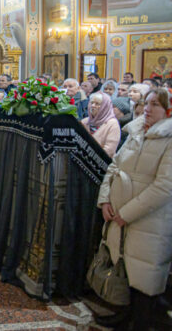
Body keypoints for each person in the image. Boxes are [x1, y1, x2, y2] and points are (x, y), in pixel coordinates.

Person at [95, 89, 172, 330]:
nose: (147, 109)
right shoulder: (137, 132)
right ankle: (125, 314)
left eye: (155, 105)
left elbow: (164, 186)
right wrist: (105, 199)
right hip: (120, 216)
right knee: (125, 268)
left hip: (149, 220)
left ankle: (144, 322)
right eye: (146, 103)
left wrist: (126, 213)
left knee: (145, 275)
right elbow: (114, 167)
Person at [81, 92, 121, 157]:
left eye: (97, 104)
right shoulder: (84, 121)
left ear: (105, 106)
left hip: (103, 162)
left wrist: (91, 157)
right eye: (92, 102)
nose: (93, 105)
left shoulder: (112, 123)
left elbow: (110, 149)